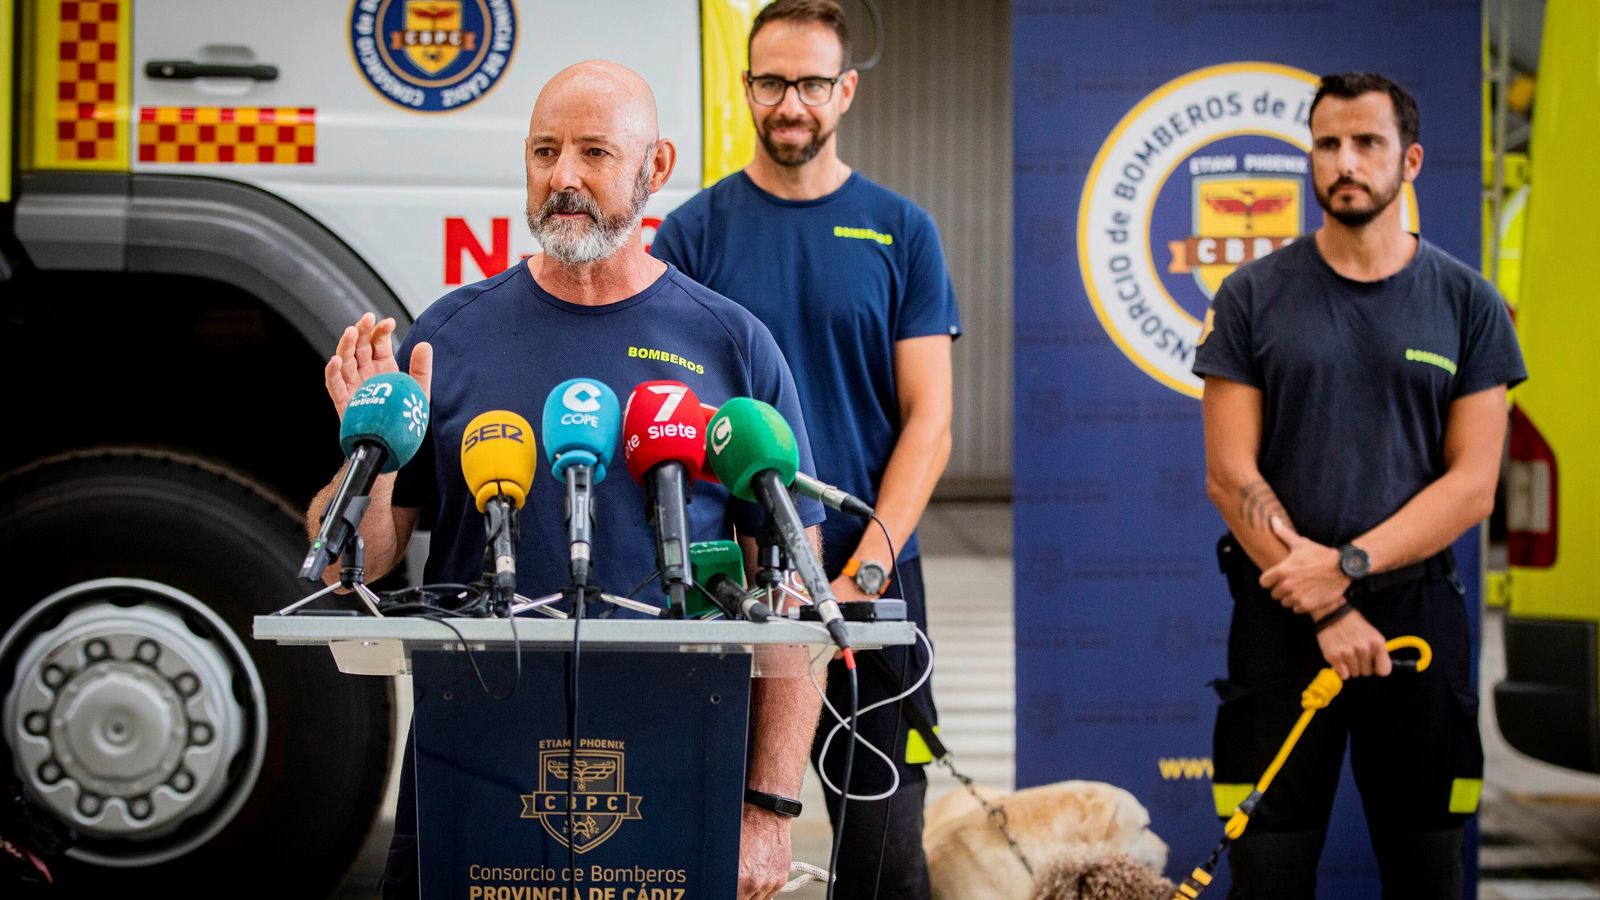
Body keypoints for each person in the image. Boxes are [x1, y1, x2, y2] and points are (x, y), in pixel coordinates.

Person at [307, 60, 826, 900]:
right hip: (472, 761)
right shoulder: (451, 336)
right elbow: (347, 567)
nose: (564, 178)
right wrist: (369, 460)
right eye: (545, 151)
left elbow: (792, 601)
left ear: (655, 168)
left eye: (594, 152)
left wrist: (768, 810)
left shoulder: (730, 344)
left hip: (676, 755)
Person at [651, 2, 958, 896]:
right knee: (718, 846)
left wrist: (866, 569)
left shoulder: (902, 231)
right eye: (773, 82)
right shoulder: (693, 236)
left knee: (885, 851)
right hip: (730, 589)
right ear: (746, 89)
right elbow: (674, 421)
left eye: (812, 83)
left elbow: (930, 423)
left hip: (872, 577)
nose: (791, 102)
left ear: (845, 90)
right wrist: (737, 574)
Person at [1194, 72, 1525, 898]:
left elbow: (1473, 486)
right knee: (1267, 870)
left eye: (1367, 143)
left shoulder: (1468, 303)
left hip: (1416, 616)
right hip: (1280, 615)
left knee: (1427, 871)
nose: (1345, 161)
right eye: (1328, 143)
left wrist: (1346, 569)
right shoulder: (1252, 297)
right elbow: (1230, 475)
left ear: (1408, 160)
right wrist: (1328, 604)